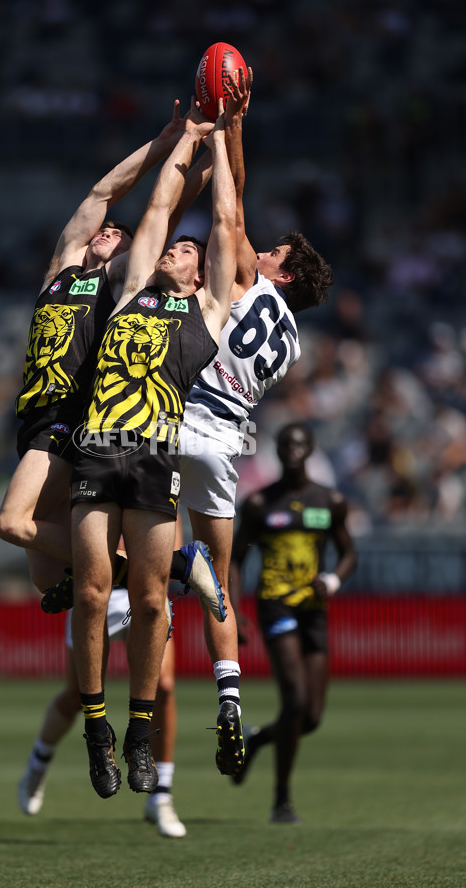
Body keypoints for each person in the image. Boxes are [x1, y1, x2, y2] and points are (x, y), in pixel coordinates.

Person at [69, 83, 243, 799]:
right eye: (176, 245)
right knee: (89, 593)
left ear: (200, 275)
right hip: (96, 446)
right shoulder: (137, 284)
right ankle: (98, 730)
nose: (178, 246)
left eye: (188, 251)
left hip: (152, 458)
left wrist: (228, 134)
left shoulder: (206, 314)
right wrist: (187, 137)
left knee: (147, 604)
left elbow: (226, 221)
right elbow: (164, 202)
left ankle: (143, 730)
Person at [0, 101, 224, 618]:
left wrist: (207, 154)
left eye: (118, 232)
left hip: (71, 420)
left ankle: (174, 570)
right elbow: (101, 193)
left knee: (12, 522)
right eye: (106, 228)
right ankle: (138, 579)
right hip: (33, 417)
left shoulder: (121, 283)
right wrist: (165, 140)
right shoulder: (61, 270)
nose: (108, 229)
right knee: (49, 580)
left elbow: (166, 213)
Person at [176, 66, 333, 778]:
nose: (261, 250)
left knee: (113, 529)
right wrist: (235, 126)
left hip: (176, 422)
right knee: (222, 585)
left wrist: (220, 131)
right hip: (227, 450)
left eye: (274, 254)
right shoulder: (292, 339)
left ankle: (162, 572)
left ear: (285, 274)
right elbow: (243, 220)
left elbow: (230, 216)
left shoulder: (249, 280)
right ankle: (232, 695)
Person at [229, 422, 357, 823]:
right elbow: (235, 560)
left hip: (313, 610)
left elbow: (348, 552)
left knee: (312, 718)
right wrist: (233, 611)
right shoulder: (259, 504)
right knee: (296, 702)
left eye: (299, 444)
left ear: (311, 449)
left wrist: (333, 579)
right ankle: (281, 800)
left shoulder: (330, 500)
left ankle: (256, 739)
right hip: (276, 607)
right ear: (279, 451)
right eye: (285, 445)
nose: (292, 451)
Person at [18, 586, 186, 837]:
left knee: (163, 685)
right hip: (96, 590)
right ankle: (39, 760)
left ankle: (161, 796)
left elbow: (172, 547)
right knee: (76, 697)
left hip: (145, 589)